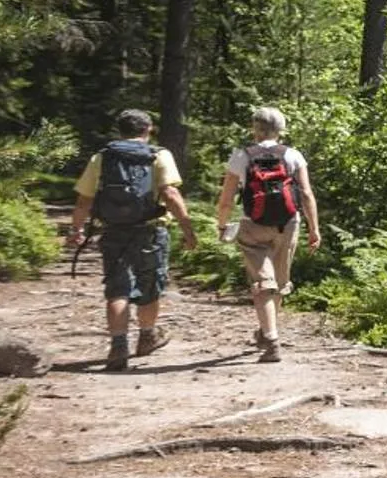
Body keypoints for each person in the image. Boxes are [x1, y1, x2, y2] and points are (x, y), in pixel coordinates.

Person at [68, 109, 197, 371]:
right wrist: (187, 229)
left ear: (120, 130)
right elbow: (170, 193)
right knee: (150, 285)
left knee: (117, 288)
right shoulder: (159, 156)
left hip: (113, 230)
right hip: (150, 230)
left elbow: (84, 199)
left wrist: (76, 230)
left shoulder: (102, 158)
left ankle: (118, 347)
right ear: (148, 129)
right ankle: (146, 337)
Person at [211, 106, 321, 362]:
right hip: (288, 224)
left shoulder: (242, 156)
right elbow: (306, 194)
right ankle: (268, 330)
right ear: (281, 130)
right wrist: (314, 229)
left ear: (255, 128)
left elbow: (226, 199)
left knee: (263, 283)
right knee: (279, 283)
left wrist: (222, 225)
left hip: (253, 225)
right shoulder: (293, 155)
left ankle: (270, 338)